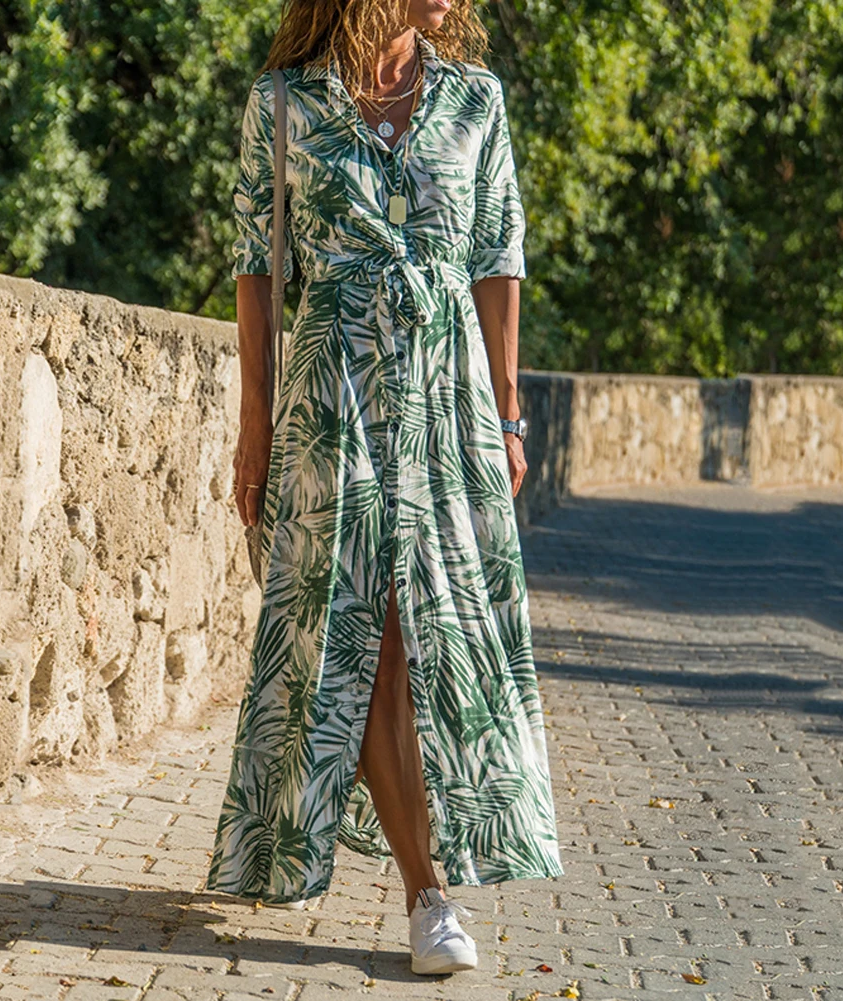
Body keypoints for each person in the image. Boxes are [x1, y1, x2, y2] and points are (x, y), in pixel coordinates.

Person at [206, 0, 563, 976]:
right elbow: (256, 266)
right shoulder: (284, 103)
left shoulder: (475, 100)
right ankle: (426, 890)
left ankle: (427, 850)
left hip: (446, 397)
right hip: (332, 394)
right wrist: (254, 422)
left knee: (434, 625)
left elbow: (497, 255)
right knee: (365, 626)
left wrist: (509, 411)